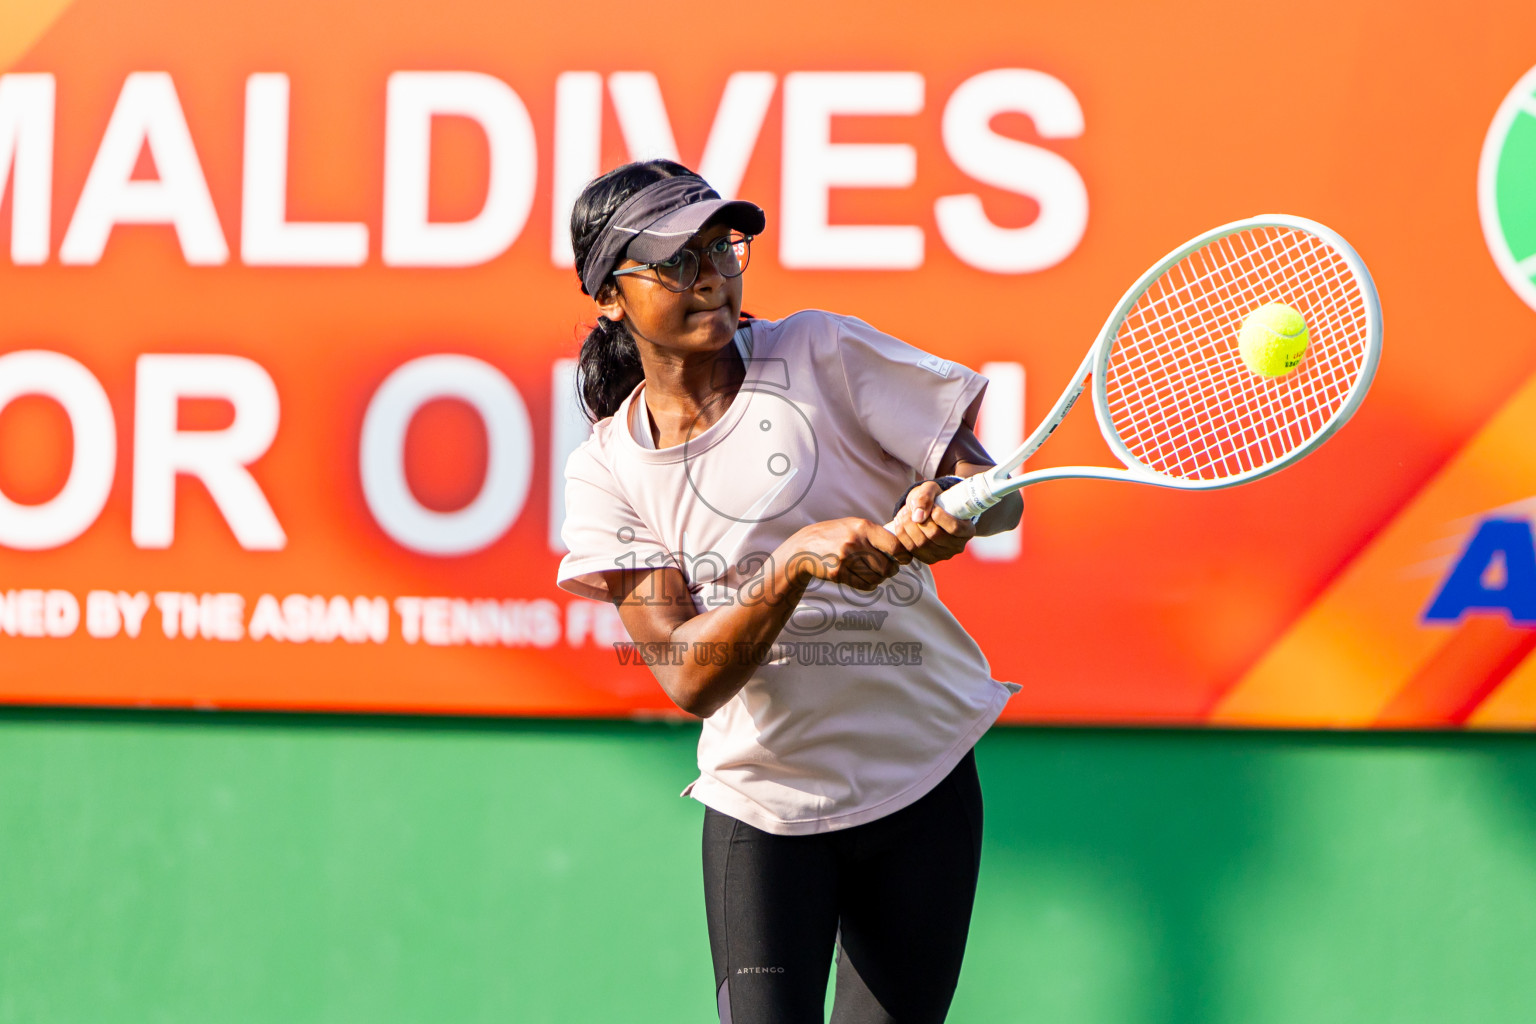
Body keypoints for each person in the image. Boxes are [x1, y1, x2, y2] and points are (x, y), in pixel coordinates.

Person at [554, 158, 1023, 1024]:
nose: (710, 276)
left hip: (919, 778)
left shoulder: (822, 351)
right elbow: (691, 678)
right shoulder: (605, 473)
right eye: (672, 260)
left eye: (722, 248)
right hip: (762, 810)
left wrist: (949, 514)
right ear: (610, 299)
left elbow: (996, 497)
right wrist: (797, 562)